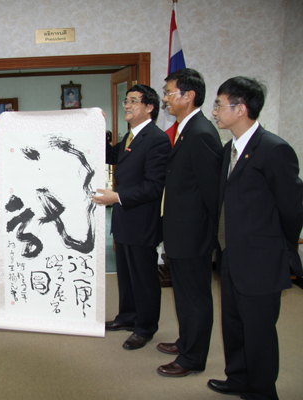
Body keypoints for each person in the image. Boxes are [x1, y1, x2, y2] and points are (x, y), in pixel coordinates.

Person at [207, 77, 303, 399]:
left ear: (241, 109)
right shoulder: (230, 149)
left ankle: (261, 391)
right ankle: (238, 379)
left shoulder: (274, 149)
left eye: (219, 105)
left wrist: (281, 249)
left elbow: (292, 209)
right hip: (231, 254)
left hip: (261, 258)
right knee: (234, 323)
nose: (214, 111)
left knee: (259, 331)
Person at [93, 85, 171, 350]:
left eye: (133, 101)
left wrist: (117, 197)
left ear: (149, 107)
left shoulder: (157, 139)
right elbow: (110, 156)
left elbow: (153, 186)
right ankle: (127, 317)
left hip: (142, 221)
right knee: (126, 275)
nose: (126, 105)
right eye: (126, 101)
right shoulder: (130, 136)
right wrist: (98, 128)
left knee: (144, 278)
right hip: (125, 219)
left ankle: (146, 327)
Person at [158, 68, 223, 377]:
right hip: (181, 232)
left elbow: (212, 194)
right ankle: (187, 342)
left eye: (169, 93)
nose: (165, 99)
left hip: (194, 235)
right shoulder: (187, 129)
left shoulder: (201, 134)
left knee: (195, 298)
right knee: (183, 296)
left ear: (189, 95)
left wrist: (209, 237)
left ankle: (193, 358)